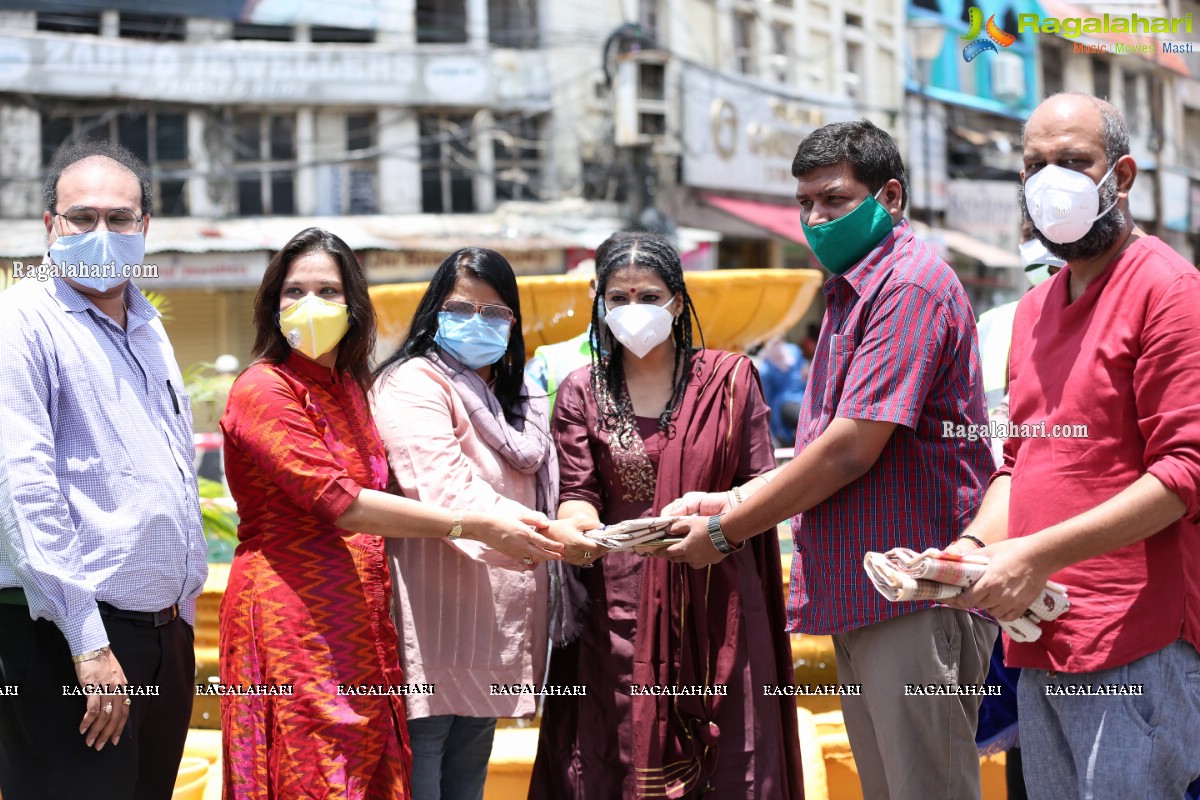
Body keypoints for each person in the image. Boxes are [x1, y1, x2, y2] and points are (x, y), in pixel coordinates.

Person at [664, 119, 997, 800]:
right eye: (806, 203)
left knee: (926, 790)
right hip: (865, 595)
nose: (816, 218)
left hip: (912, 593)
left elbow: (850, 450)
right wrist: (727, 501)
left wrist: (730, 528)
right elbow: (828, 447)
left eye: (835, 200)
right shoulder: (854, 290)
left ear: (891, 197)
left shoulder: (906, 286)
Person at [218, 229, 563, 800]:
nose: (311, 305)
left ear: (354, 306)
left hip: (360, 620)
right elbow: (341, 502)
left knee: (371, 773)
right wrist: (470, 523)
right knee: (310, 776)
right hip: (291, 618)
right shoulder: (264, 388)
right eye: (294, 291)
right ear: (270, 305)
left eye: (328, 291)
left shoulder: (350, 388)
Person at [950, 93, 1200, 799]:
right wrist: (970, 549)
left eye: (1072, 161)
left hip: (1136, 638)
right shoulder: (1032, 311)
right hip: (1040, 633)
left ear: (1121, 175)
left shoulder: (1169, 288)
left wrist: (1033, 553)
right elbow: (1017, 466)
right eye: (1033, 165)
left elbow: (1186, 471)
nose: (1048, 179)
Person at [528, 232, 804, 800]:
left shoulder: (730, 380)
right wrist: (577, 529)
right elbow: (578, 493)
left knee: (733, 756)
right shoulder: (581, 390)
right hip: (619, 613)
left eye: (650, 297)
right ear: (598, 300)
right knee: (620, 757)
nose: (635, 310)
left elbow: (763, 483)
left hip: (719, 596)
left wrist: (720, 525)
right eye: (620, 296)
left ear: (678, 301)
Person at [0, 139, 207, 799]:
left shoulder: (146, 326)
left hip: (161, 635)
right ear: (49, 227)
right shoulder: (23, 324)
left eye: (120, 220)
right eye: (81, 218)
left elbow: (174, 471)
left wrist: (183, 623)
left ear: (144, 228)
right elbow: (23, 489)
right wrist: (88, 645)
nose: (101, 234)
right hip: (71, 637)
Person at [371, 247, 595, 800]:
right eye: (461, 308)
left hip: (495, 624)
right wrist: (548, 532)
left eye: (495, 312)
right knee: (423, 774)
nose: (478, 323)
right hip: (433, 617)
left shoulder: (520, 396)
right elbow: (445, 488)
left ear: (513, 322)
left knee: (467, 781)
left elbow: (555, 482)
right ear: (433, 313)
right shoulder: (412, 383)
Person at [971, 220, 1061, 800]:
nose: (1043, 242)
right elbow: (1000, 454)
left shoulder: (1158, 301)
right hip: (1010, 548)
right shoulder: (1003, 324)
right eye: (1031, 228)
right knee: (1032, 740)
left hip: (1104, 566)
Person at [757, 336, 809, 447]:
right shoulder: (765, 368)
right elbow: (766, 398)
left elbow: (805, 371)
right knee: (804, 419)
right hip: (784, 403)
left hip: (804, 397)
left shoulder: (793, 351)